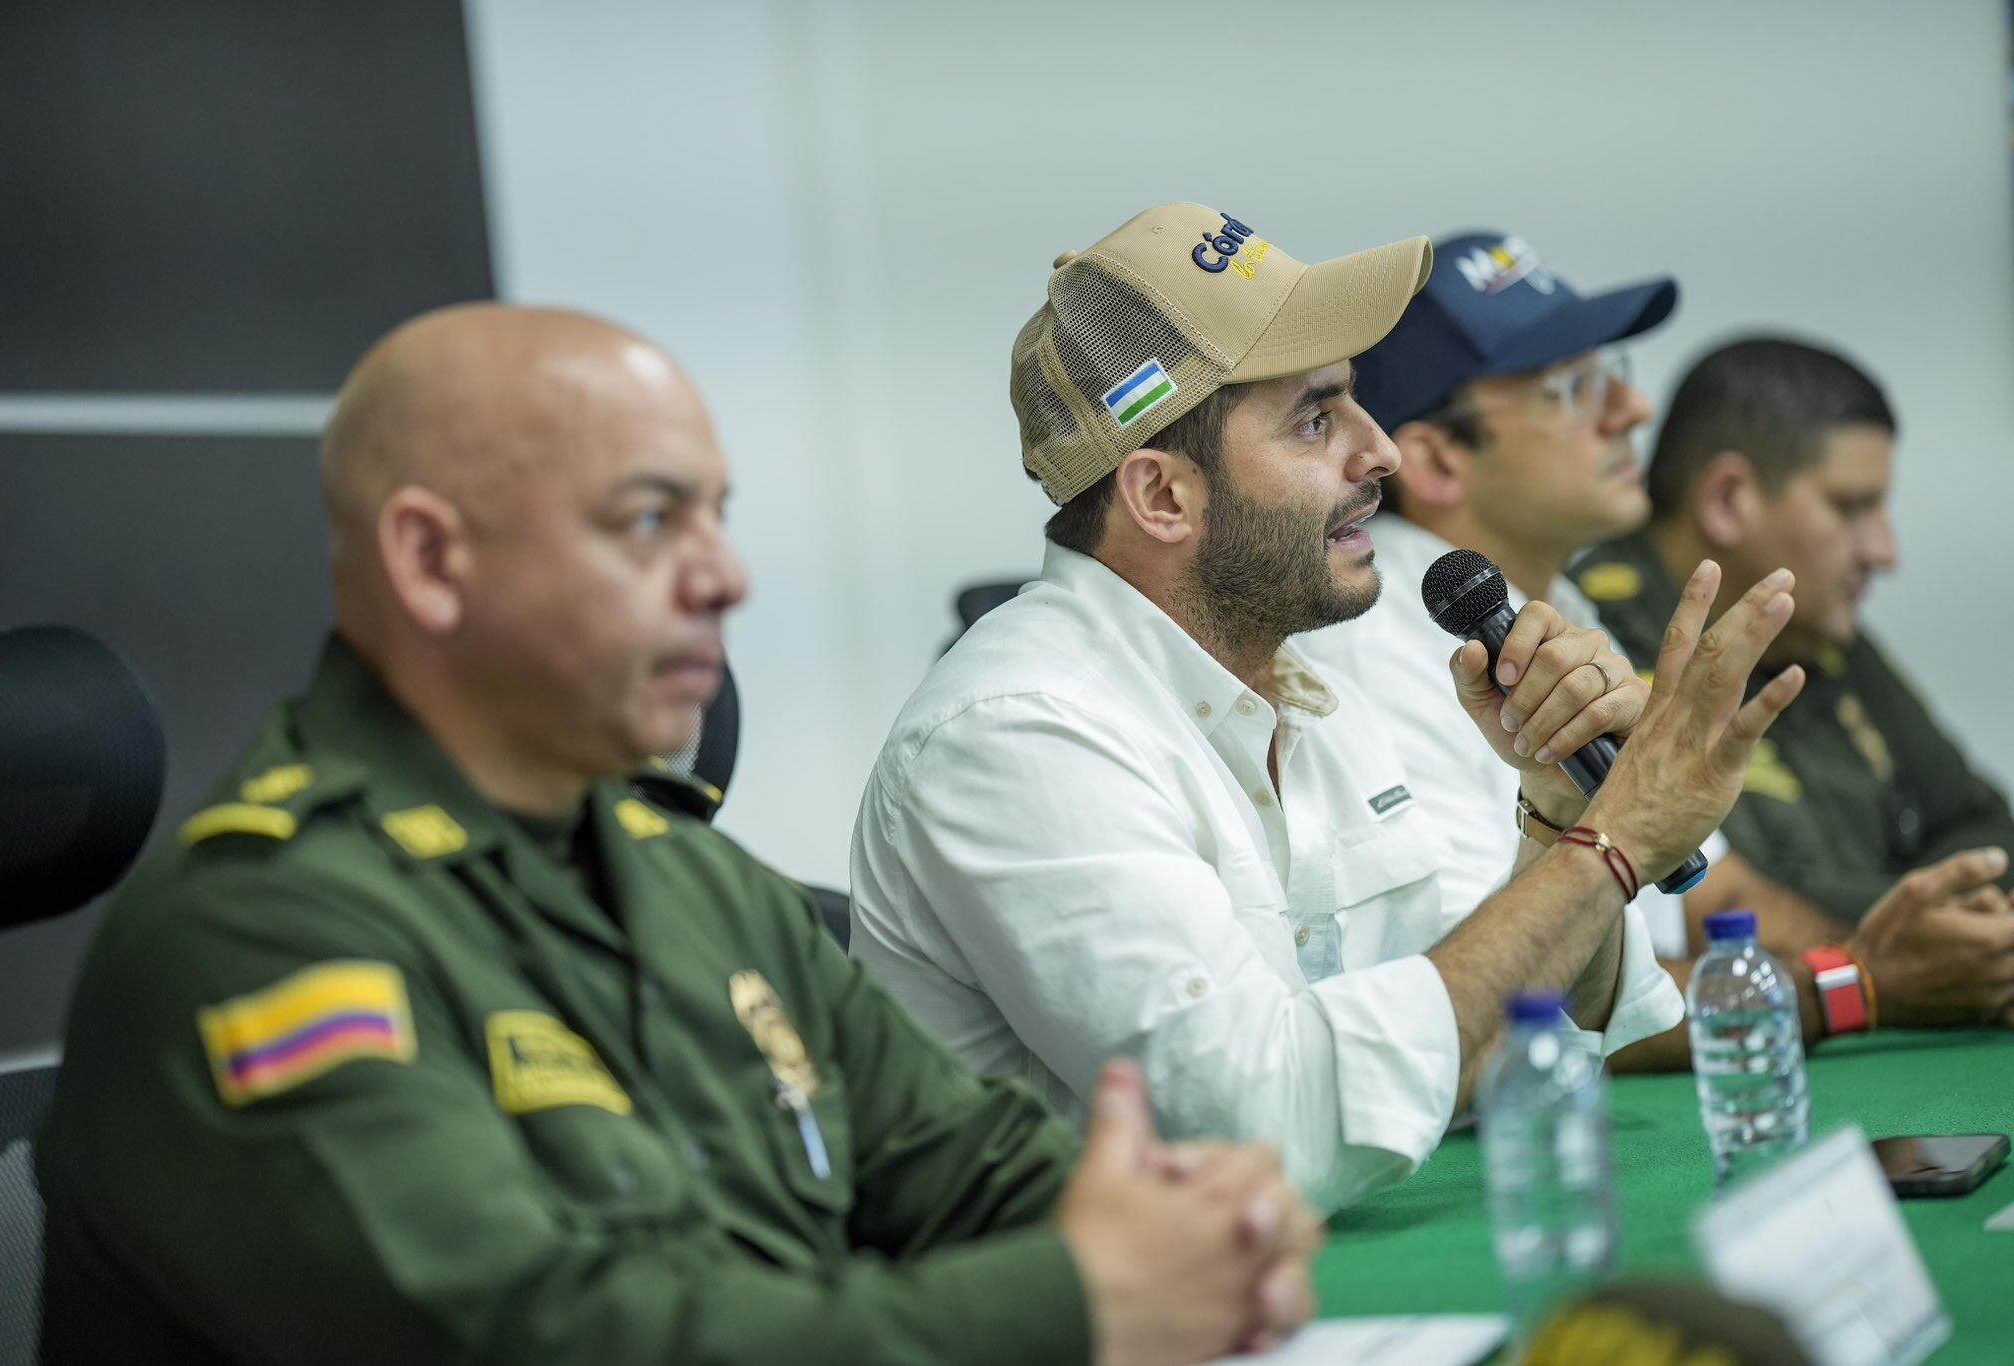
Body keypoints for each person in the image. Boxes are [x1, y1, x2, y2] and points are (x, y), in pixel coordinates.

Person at [34, 304, 1326, 1366]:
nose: (726, 574)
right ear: (433, 562)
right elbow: (544, 1337)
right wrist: (1078, 1303)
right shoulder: (259, 934)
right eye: (651, 520)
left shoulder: (695, 875)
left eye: (718, 513)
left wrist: (1189, 1223)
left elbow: (958, 1158)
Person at [850, 202, 1806, 1212]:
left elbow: (1471, 1038)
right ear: (1161, 496)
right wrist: (1613, 842)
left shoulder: (1301, 690)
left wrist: (1554, 816)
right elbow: (1263, 1133)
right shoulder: (1014, 735)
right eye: (1315, 419)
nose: (1381, 451)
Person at [1315, 237, 2014, 1068]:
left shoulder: (1551, 604)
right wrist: (1861, 981)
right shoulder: (1380, 648)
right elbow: (1502, 1004)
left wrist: (1922, 953)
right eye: (1573, 390)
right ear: (1435, 459)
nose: (1632, 411)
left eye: (1612, 371)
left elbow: (1709, 888)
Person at [1575, 337, 2014, 933]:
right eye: (1851, 507)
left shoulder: (1815, 627)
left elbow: (1981, 824)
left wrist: (1948, 917)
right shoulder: (1597, 640)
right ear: (1728, 500)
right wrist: (1924, 930)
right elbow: (1729, 899)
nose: (1884, 553)